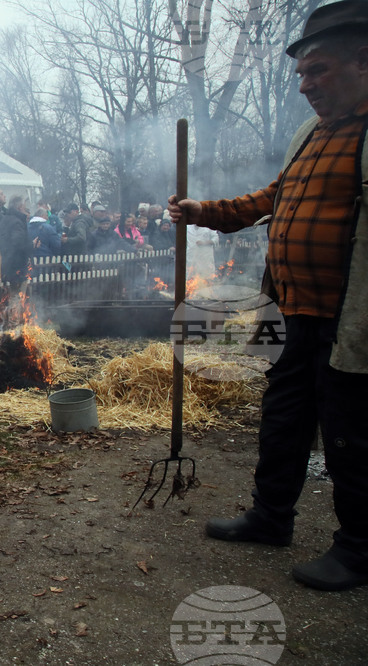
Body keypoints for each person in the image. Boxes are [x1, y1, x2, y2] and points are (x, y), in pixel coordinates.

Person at [167, 0, 368, 591]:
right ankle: (270, 516)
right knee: (282, 421)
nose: (304, 85)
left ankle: (358, 548)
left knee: (350, 436)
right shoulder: (310, 135)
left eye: (318, 71)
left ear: (363, 60)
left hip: (349, 319)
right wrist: (204, 211)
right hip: (295, 313)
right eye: (301, 73)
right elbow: (270, 199)